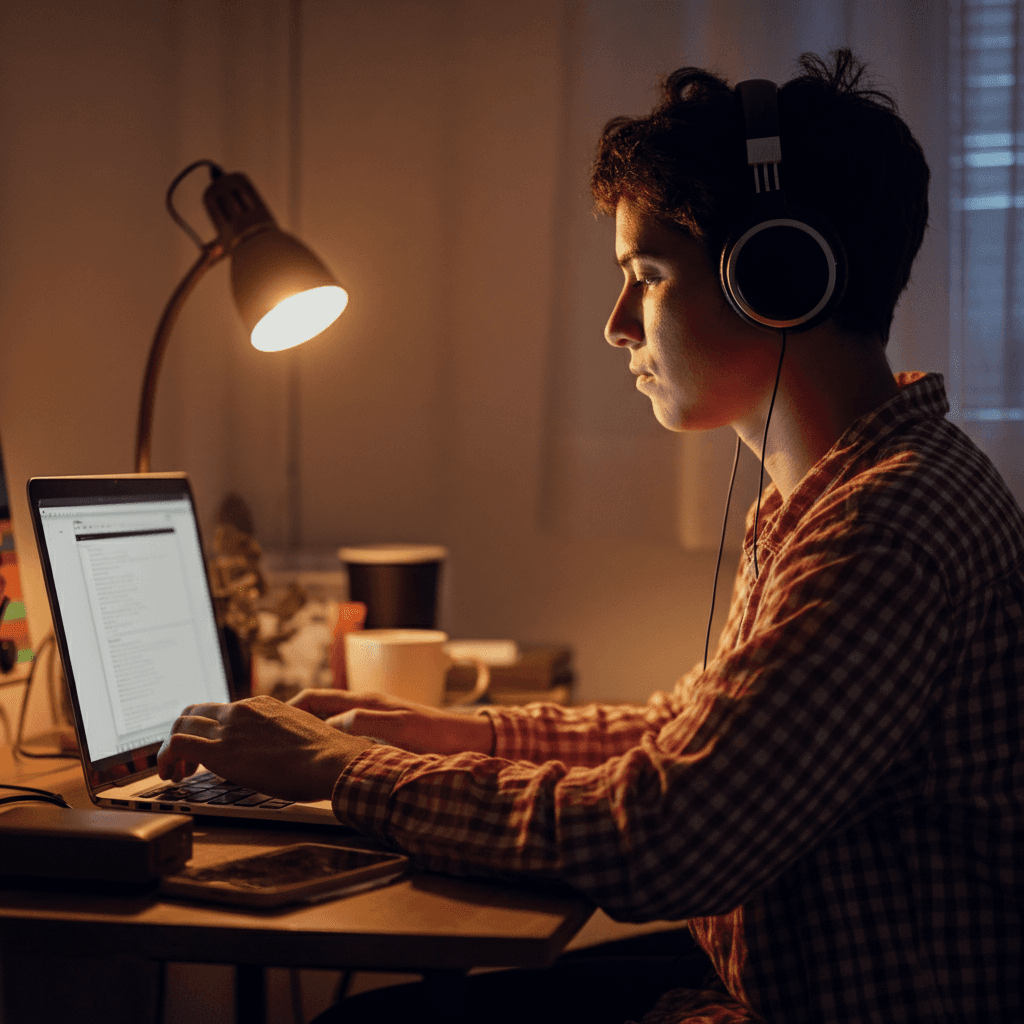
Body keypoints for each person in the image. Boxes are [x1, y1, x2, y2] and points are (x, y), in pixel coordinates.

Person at [157, 49, 1023, 1023]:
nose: (616, 325)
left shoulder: (885, 526)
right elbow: (686, 740)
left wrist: (339, 769)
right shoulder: (837, 492)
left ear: (777, 278)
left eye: (646, 275)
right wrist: (434, 730)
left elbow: (663, 837)